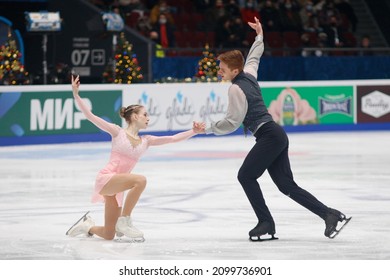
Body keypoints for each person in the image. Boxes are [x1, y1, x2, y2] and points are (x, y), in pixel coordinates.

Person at [195, 17, 351, 241]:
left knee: (246, 176)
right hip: (275, 134)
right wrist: (259, 35)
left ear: (234, 69)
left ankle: (266, 222)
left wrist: (207, 128)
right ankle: (329, 214)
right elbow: (255, 56)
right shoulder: (249, 74)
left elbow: (231, 122)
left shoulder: (236, 89)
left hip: (269, 135)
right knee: (286, 185)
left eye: (222, 69)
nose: (219, 72)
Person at [66, 75, 204, 242]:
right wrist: (76, 94)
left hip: (118, 188)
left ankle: (87, 227)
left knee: (109, 234)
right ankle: (125, 220)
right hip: (107, 179)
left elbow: (173, 138)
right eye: (144, 114)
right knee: (140, 180)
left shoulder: (146, 141)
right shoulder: (117, 132)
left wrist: (193, 132)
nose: (148, 118)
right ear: (134, 117)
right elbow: (90, 116)